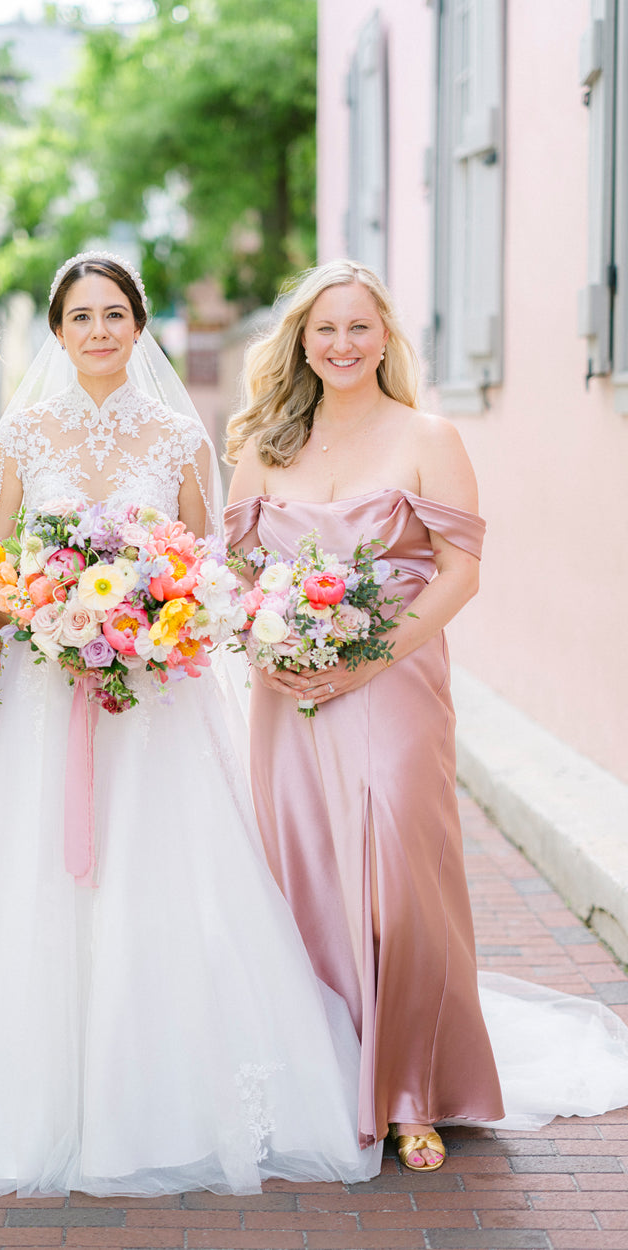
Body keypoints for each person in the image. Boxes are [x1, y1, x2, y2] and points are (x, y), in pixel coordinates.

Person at [0, 252, 383, 1197]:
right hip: (48, 697)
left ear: (138, 325)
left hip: (156, 699)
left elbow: (211, 565)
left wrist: (152, 614)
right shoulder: (21, 435)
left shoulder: (175, 436)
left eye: (114, 314)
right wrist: (50, 612)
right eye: (80, 317)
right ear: (58, 332)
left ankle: (173, 1096)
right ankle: (44, 1104)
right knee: (42, 881)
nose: (98, 331)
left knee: (166, 873)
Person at [223, 259, 628, 1172]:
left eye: (358, 327)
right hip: (289, 698)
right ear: (300, 343)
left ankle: (413, 1091)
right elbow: (237, 572)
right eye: (325, 329)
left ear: (385, 339)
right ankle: (329, 1081)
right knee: (307, 877)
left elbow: (459, 572)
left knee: (399, 887)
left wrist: (366, 656)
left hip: (395, 683)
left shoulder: (428, 436)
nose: (342, 344)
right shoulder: (266, 447)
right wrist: (268, 649)